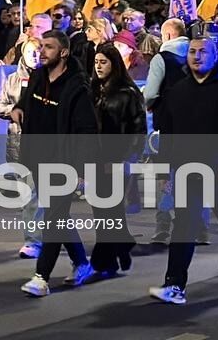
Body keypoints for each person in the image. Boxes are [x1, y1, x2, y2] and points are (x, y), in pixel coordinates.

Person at [149, 34, 218, 305]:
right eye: (192, 51)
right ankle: (174, 284)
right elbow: (167, 133)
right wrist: (165, 171)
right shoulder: (177, 91)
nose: (197, 56)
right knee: (184, 226)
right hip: (186, 170)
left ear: (215, 56)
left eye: (203, 51)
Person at [11, 31, 99, 297]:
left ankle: (41, 276)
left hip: (65, 162)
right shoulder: (37, 76)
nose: (42, 51)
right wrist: (17, 109)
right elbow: (24, 103)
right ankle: (82, 263)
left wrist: (82, 169)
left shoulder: (77, 86)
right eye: (41, 46)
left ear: (63, 52)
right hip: (38, 157)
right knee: (57, 216)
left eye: (48, 47)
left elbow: (87, 130)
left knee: (53, 217)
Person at [89, 42, 145, 276]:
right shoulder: (91, 91)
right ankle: (122, 243)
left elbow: (138, 130)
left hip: (117, 160)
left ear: (114, 64)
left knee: (108, 210)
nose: (99, 66)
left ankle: (103, 262)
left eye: (104, 62)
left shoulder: (128, 94)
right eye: (96, 62)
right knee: (102, 211)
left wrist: (126, 159)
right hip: (94, 160)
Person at [0, 39, 43, 259]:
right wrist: (12, 111)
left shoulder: (49, 78)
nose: (35, 56)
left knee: (41, 194)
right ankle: (35, 239)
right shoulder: (13, 79)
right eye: (31, 52)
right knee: (28, 194)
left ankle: (38, 240)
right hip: (18, 142)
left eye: (38, 52)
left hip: (44, 141)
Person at [143, 18, 190, 244]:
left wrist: (147, 104)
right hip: (194, 128)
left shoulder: (162, 59)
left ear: (168, 36)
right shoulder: (197, 56)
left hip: (169, 127)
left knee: (165, 176)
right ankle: (196, 227)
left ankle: (163, 226)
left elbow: (150, 93)